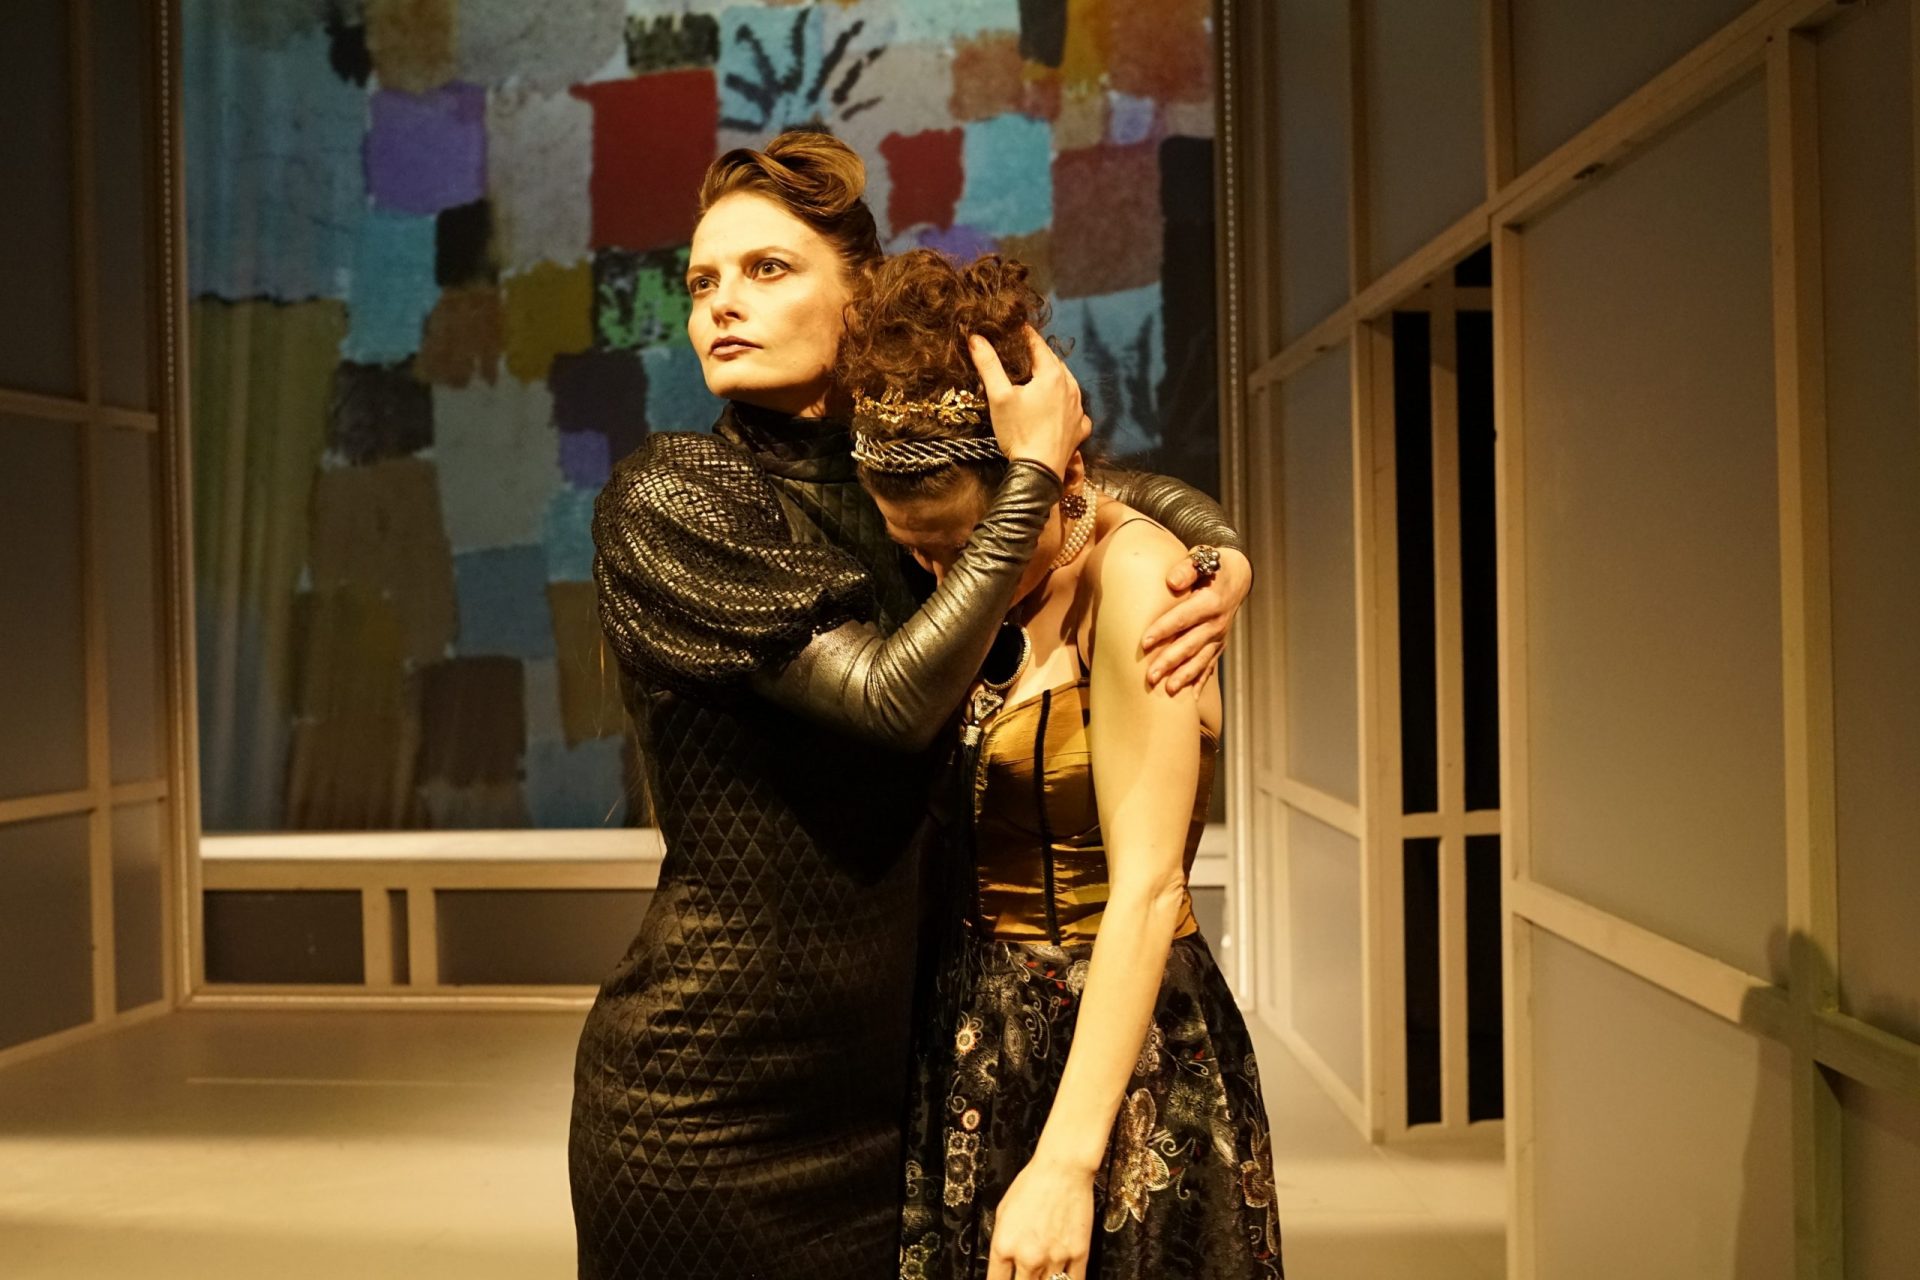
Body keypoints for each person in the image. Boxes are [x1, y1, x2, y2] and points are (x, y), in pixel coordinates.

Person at [569, 130, 1255, 1280]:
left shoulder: (897, 486)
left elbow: (1102, 495)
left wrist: (1220, 551)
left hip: (908, 1092)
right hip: (708, 1103)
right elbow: (892, 702)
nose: (721, 302)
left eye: (767, 268)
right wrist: (1031, 472)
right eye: (701, 281)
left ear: (859, 297)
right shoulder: (674, 494)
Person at [841, 251, 1281, 1280]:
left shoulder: (1137, 578)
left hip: (1120, 1060)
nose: (950, 579)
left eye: (972, 541)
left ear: (1061, 475)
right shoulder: (968, 577)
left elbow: (1148, 886)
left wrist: (1067, 1162)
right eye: (917, 551)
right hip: (975, 1038)